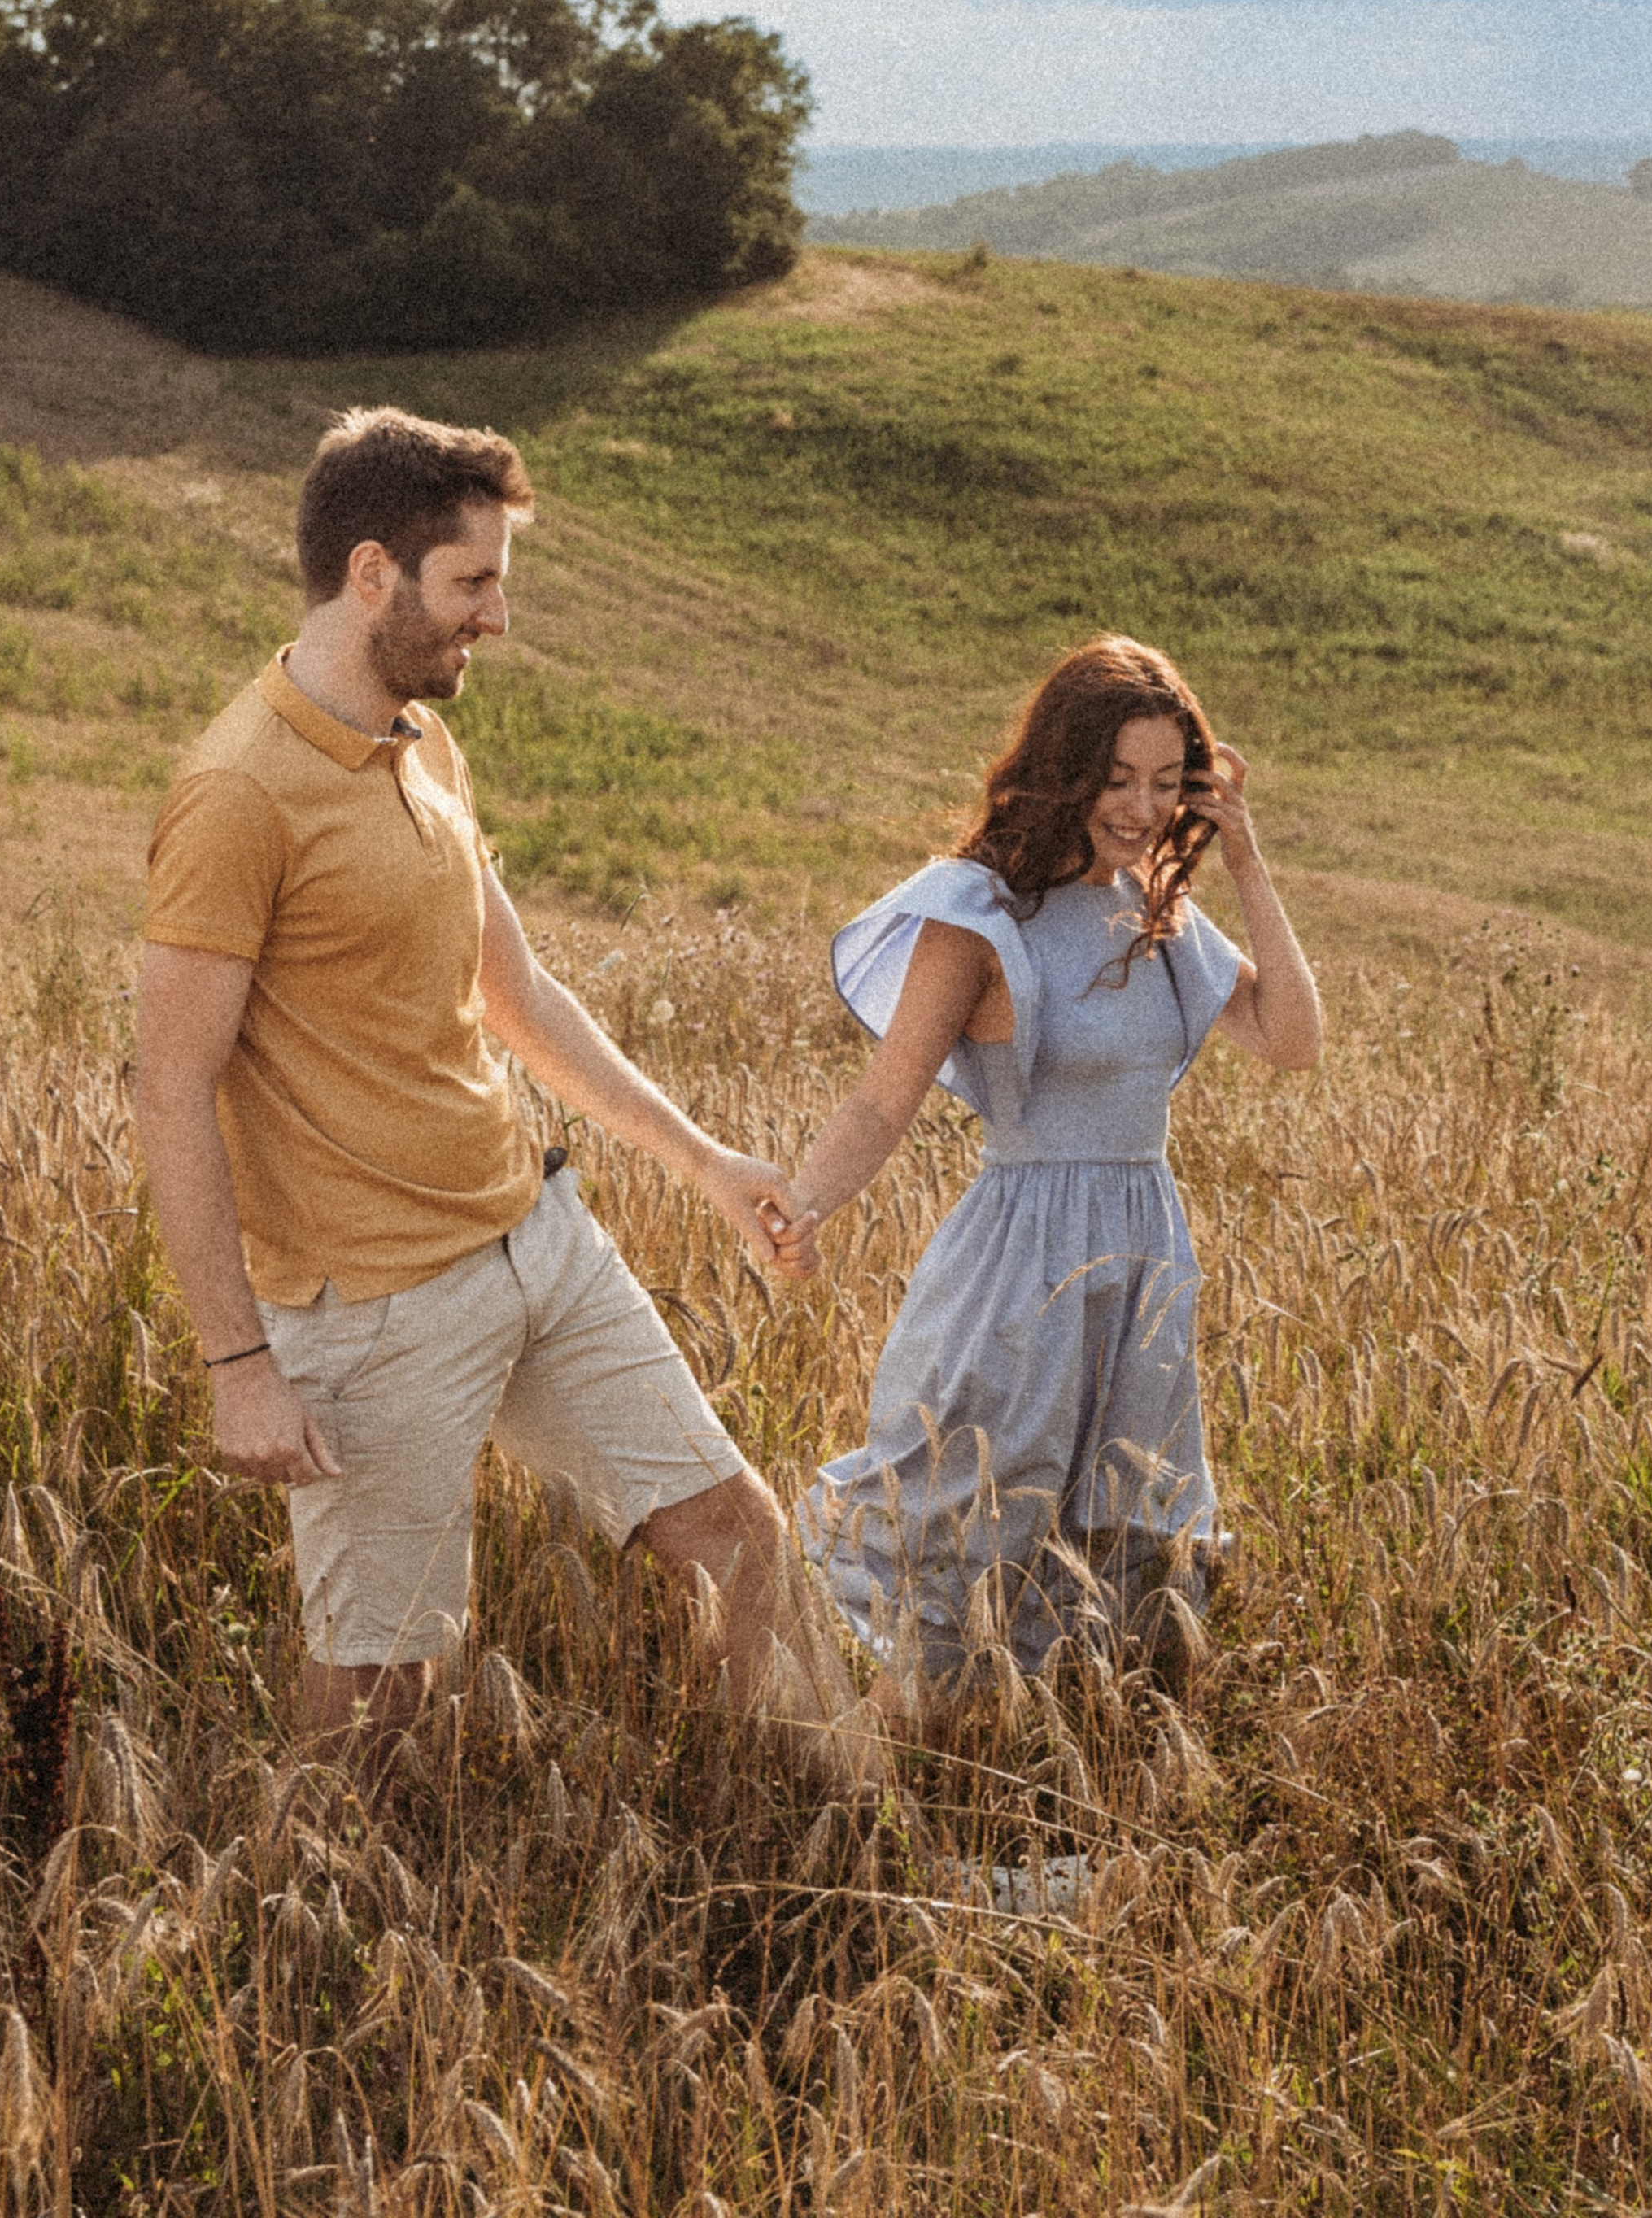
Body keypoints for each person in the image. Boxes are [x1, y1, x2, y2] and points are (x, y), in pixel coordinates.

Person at [135, 404, 852, 1769]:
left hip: (540, 1245)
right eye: (473, 583)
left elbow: (516, 996)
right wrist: (238, 1366)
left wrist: (706, 1162)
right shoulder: (238, 792)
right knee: (381, 1701)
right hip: (375, 1311)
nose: (498, 619)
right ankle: (286, 1953)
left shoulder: (419, 740)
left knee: (741, 1540)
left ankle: (848, 1840)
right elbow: (171, 1090)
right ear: (370, 575)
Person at [778, 635, 1321, 1708]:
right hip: (1022, 1271)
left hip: (1143, 1270)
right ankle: (853, 1800)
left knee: (1105, 1545)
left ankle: (1012, 1815)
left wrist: (1248, 861)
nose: (1141, 807)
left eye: (1170, 784)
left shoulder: (1159, 917)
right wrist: (799, 1207)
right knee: (967, 1535)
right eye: (1118, 778)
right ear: (1065, 767)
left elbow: (1293, 1038)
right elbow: (884, 1100)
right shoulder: (983, 916)